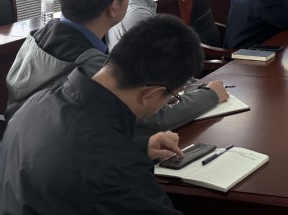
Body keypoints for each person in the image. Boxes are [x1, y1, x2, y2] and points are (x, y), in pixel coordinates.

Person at [0, 15, 203, 214]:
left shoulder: (35, 102)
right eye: (172, 98)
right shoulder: (117, 165)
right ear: (151, 94)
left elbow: (72, 152)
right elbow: (97, 160)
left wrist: (140, 146)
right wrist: (127, 152)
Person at [5, 0, 226, 134]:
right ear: (114, 8)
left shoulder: (37, 36)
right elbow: (154, 118)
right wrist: (210, 94)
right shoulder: (90, 65)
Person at [107, 0, 228, 129]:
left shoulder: (134, 4)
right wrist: (202, 90)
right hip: (147, 107)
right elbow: (160, 69)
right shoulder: (138, 14)